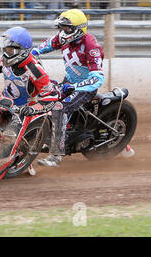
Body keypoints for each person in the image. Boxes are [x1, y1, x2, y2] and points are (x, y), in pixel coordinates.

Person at [0, 26, 60, 193]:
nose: (5, 52)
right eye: (4, 48)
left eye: (9, 48)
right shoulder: (5, 59)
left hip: (24, 109)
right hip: (5, 102)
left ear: (20, 50)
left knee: (8, 138)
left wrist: (32, 109)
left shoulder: (34, 69)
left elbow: (51, 95)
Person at [32, 9, 104, 167]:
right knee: (45, 99)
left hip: (85, 87)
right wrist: (32, 53)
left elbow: (98, 77)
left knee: (59, 108)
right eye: (62, 28)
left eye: (66, 28)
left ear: (78, 29)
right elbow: (46, 45)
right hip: (69, 82)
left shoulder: (91, 46)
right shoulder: (63, 38)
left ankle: (56, 155)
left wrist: (76, 86)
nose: (62, 31)